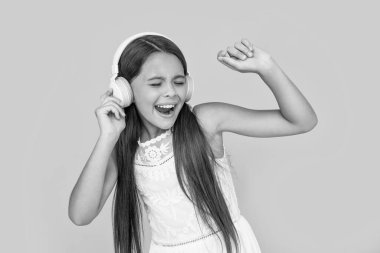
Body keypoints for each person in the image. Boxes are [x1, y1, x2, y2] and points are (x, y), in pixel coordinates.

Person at [68, 32, 318, 253]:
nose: (171, 92)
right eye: (156, 83)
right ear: (125, 91)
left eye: (178, 82)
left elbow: (301, 121)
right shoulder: (123, 147)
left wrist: (267, 67)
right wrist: (108, 137)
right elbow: (80, 216)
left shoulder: (205, 121)